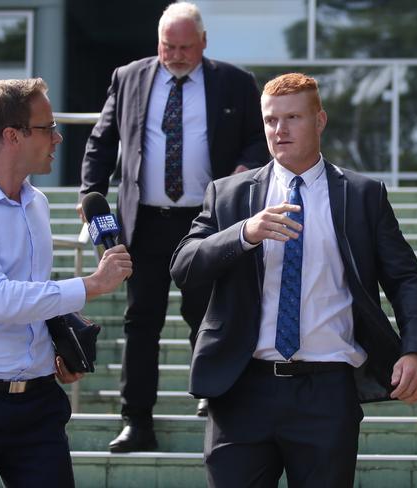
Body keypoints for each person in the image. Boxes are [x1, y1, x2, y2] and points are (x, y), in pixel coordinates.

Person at [170, 72, 417, 488]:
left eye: (293, 118)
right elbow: (184, 266)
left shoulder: (362, 195)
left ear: (320, 120)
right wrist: (243, 234)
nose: (280, 130)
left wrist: (416, 350)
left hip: (327, 392)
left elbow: (406, 279)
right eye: (271, 120)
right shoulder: (229, 194)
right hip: (242, 387)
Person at [0, 78, 132, 488]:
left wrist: (58, 346)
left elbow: (32, 288)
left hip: (38, 402)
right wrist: (91, 284)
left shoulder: (37, 202)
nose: (57, 137)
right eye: (47, 127)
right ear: (12, 136)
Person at [78, 2, 268, 452]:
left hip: (207, 222)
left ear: (204, 42)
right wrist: (90, 195)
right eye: (168, 46)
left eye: (186, 47)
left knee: (208, 314)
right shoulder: (129, 77)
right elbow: (103, 141)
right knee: (141, 322)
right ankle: (136, 421)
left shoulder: (235, 82)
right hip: (144, 221)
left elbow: (258, 138)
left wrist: (244, 168)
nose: (177, 55)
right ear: (158, 42)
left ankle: (213, 393)